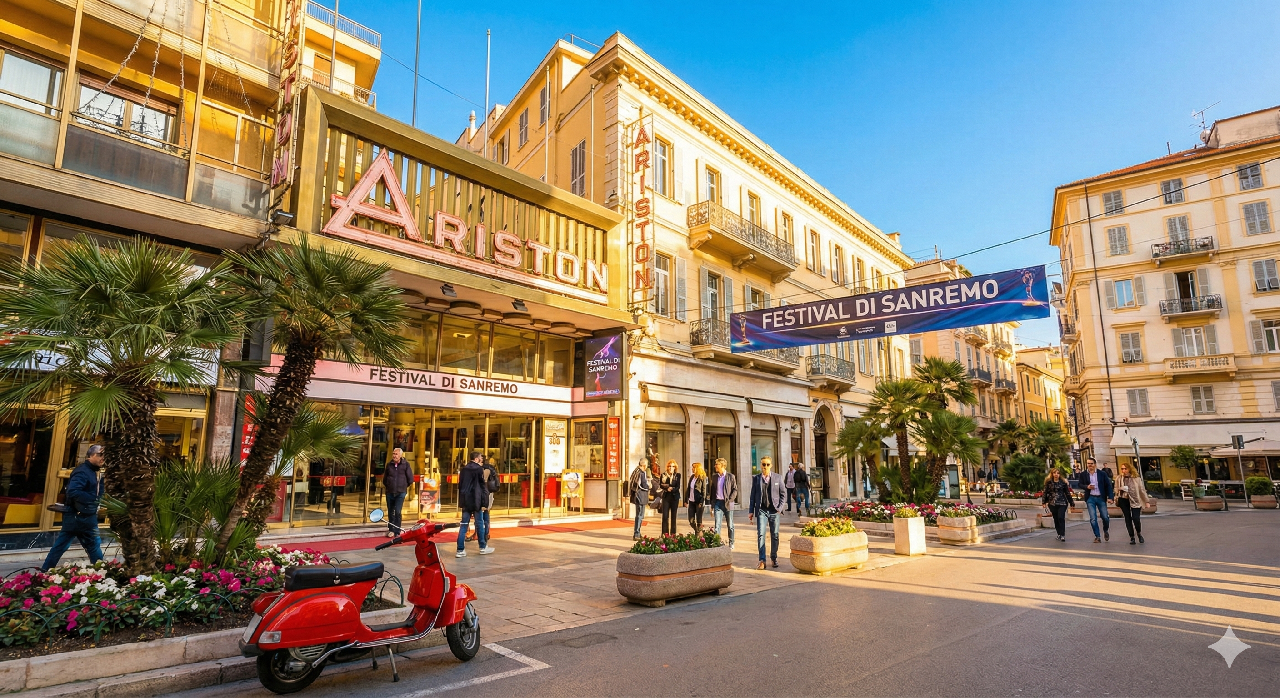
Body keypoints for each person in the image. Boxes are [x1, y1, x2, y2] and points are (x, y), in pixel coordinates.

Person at [42, 445, 105, 571]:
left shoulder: (94, 471)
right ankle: (102, 572)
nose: (103, 458)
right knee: (91, 545)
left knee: (63, 545)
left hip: (84, 515)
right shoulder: (83, 471)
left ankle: (45, 570)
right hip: (79, 516)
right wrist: (94, 500)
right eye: (100, 454)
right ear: (90, 455)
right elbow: (73, 491)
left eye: (104, 455)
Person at [749, 458, 787, 569]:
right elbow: (752, 496)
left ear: (771, 465)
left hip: (774, 510)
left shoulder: (777, 477)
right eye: (763, 464)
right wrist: (751, 511)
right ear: (760, 465)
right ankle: (762, 560)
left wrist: (779, 508)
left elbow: (783, 494)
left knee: (774, 535)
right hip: (761, 510)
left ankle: (774, 557)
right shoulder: (756, 479)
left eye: (767, 464)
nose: (765, 466)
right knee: (761, 534)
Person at [456, 451, 494, 557]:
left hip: (466, 500)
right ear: (476, 459)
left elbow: (461, 485)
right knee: (479, 523)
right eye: (481, 459)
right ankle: (482, 546)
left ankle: (460, 549)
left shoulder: (464, 469)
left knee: (464, 524)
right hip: (476, 500)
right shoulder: (478, 469)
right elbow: (482, 486)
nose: (482, 461)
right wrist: (484, 501)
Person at [382, 448, 414, 538]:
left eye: (396, 454)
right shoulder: (389, 465)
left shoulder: (405, 465)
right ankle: (391, 529)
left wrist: (403, 486)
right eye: (393, 454)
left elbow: (410, 479)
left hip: (400, 493)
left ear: (400, 455)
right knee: (390, 511)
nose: (394, 455)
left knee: (398, 512)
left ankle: (397, 530)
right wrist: (389, 485)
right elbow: (385, 479)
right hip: (390, 492)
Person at [1080, 457, 1114, 543]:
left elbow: (1108, 486)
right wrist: (1086, 487)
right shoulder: (1084, 474)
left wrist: (1110, 497)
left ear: (1095, 464)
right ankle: (1097, 536)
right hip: (1090, 498)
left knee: (1105, 517)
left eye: (1091, 463)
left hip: (1101, 497)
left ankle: (1105, 530)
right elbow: (1080, 484)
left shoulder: (1102, 474)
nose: (1089, 465)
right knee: (1093, 518)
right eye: (1088, 463)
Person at [1116, 462, 1150, 544]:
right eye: (1122, 469)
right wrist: (1120, 489)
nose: (1123, 470)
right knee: (1127, 518)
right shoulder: (1119, 478)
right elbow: (1115, 489)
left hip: (1135, 500)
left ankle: (1139, 533)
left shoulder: (1136, 478)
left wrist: (1146, 501)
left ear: (1129, 469)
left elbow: (1141, 490)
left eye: (1125, 468)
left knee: (1136, 518)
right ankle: (1132, 537)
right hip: (1123, 499)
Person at [1041, 468, 1075, 542]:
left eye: (1058, 473)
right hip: (1052, 503)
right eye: (1054, 473)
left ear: (1059, 474)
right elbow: (1045, 492)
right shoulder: (1049, 482)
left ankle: (1062, 535)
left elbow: (1067, 493)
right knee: (1056, 519)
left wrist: (1071, 502)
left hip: (1062, 503)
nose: (1056, 474)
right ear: (1052, 474)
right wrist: (1043, 502)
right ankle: (1059, 533)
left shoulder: (1063, 482)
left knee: (1061, 517)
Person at [709, 458, 737, 548]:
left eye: (716, 464)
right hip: (718, 503)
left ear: (722, 466)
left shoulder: (730, 476)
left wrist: (730, 500)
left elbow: (735, 490)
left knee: (730, 525)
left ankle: (731, 542)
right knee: (717, 525)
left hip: (728, 503)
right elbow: (712, 491)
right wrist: (712, 505)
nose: (715, 466)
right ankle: (717, 542)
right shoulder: (714, 477)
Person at [628, 458, 651, 540]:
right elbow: (643, 485)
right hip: (641, 496)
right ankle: (637, 533)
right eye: (647, 464)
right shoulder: (642, 473)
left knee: (638, 515)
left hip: (637, 496)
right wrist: (649, 486)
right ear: (644, 465)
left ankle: (637, 533)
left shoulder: (636, 471)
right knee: (640, 515)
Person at [659, 460, 682, 536]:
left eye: (672, 466)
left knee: (673, 516)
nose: (671, 468)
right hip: (666, 497)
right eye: (669, 466)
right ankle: (665, 534)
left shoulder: (677, 475)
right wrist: (666, 488)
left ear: (675, 467)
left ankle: (673, 534)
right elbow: (661, 485)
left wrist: (672, 489)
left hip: (674, 497)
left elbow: (678, 486)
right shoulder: (663, 475)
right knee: (665, 516)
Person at [685, 462, 707, 531]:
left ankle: (699, 536)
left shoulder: (702, 477)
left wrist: (701, 502)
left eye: (694, 467)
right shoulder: (692, 477)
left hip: (698, 502)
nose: (692, 469)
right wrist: (686, 500)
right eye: (692, 467)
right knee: (691, 520)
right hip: (691, 501)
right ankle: (697, 530)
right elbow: (688, 489)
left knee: (699, 520)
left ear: (698, 468)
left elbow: (704, 491)